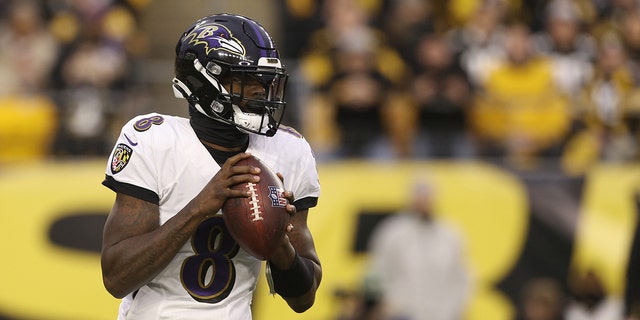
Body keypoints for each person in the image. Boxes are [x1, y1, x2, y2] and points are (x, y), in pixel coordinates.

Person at [100, 13, 322, 319]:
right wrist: (200, 207)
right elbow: (116, 277)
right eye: (245, 79)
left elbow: (303, 299)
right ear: (204, 81)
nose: (260, 90)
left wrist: (277, 238)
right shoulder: (155, 140)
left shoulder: (288, 150)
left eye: (265, 79)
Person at [365, 177, 472, 320]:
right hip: (401, 313)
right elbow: (376, 272)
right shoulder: (392, 232)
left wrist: (454, 310)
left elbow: (462, 278)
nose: (423, 202)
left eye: (427, 197)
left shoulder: (450, 235)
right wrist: (386, 306)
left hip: (440, 315)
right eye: (419, 197)